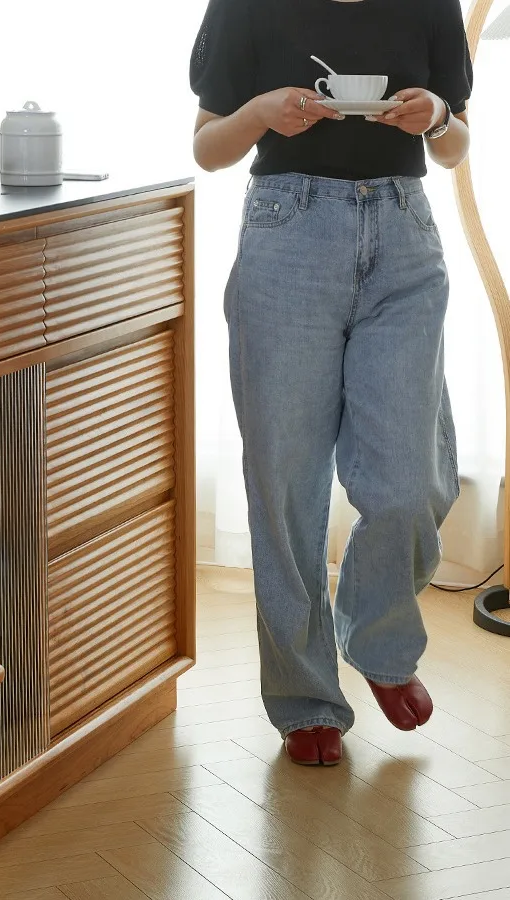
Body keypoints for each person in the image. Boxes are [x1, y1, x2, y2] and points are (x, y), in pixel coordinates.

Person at [189, 0, 473, 766]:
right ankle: (305, 697)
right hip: (289, 235)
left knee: (412, 480)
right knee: (285, 484)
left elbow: (455, 146)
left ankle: (376, 635)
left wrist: (437, 117)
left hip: (406, 240)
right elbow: (209, 148)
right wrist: (259, 112)